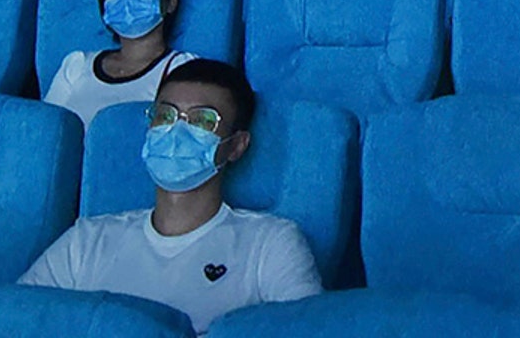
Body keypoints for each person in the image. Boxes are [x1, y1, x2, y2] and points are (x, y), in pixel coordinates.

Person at [19, 59, 322, 332]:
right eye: (165, 115)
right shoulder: (86, 241)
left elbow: (308, 331)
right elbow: (18, 321)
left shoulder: (271, 244)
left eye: (203, 121)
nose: (176, 131)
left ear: (237, 146)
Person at [42, 0, 199, 126]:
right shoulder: (77, 64)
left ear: (169, 3)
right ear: (105, 10)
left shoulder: (182, 67)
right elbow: (47, 128)